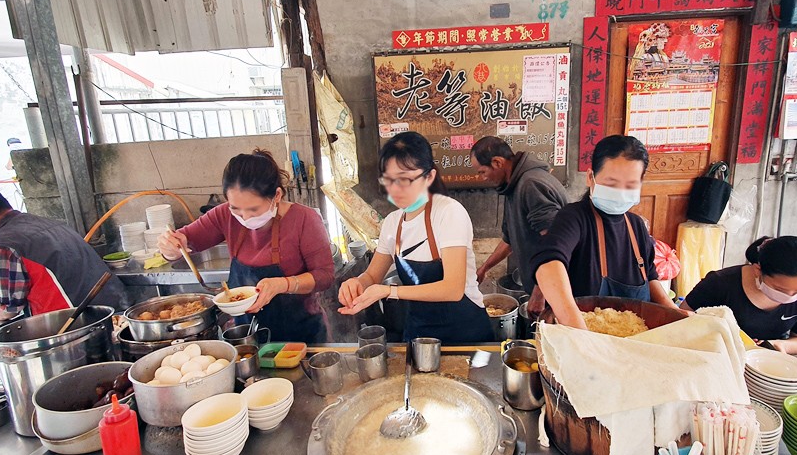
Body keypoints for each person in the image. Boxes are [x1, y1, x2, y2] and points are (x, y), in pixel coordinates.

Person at [157, 150, 333, 343]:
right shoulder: (223, 215)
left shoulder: (304, 220)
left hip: (303, 334)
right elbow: (185, 241)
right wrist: (170, 249)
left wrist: (284, 284)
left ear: (276, 195)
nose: (245, 218)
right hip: (247, 335)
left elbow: (324, 276)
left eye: (253, 209)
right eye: (236, 209)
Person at [338, 132, 493, 344]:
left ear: (429, 177)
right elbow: (372, 276)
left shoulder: (448, 212)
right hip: (419, 334)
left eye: (405, 179)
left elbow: (453, 288)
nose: (395, 189)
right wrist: (357, 283)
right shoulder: (393, 223)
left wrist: (389, 291)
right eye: (389, 180)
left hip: (464, 333)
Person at [531, 135, 676, 329]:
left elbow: (650, 277)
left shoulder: (636, 226)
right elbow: (548, 263)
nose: (621, 192)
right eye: (611, 184)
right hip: (581, 339)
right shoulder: (574, 218)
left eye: (631, 185)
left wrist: (673, 312)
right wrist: (580, 333)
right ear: (591, 177)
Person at [0, 182, 128, 322]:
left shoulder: (2, 246)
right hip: (114, 308)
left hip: (76, 323)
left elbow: (10, 307)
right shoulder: (48, 223)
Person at [681, 236, 797, 355]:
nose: (790, 296)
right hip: (713, 353)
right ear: (757, 270)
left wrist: (779, 345)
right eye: (779, 289)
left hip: (765, 359)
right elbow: (682, 316)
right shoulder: (720, 283)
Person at [470, 136, 568, 296]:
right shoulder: (514, 186)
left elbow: (554, 244)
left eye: (482, 171)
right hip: (545, 286)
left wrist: (540, 292)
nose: (483, 178)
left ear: (497, 162)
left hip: (554, 289)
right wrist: (484, 268)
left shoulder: (531, 184)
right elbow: (509, 239)